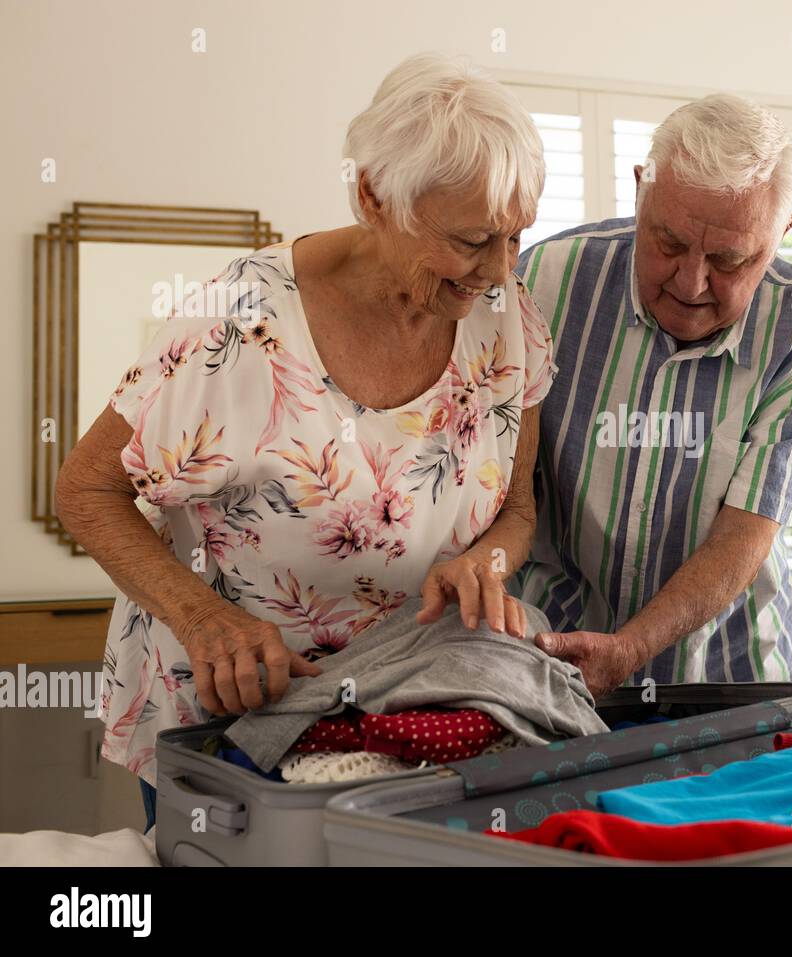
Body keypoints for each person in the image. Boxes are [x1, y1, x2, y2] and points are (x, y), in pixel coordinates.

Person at [54, 53, 555, 828]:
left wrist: (480, 561)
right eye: (472, 240)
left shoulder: (506, 320)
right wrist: (203, 618)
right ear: (372, 196)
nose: (498, 271)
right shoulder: (239, 323)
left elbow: (516, 512)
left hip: (402, 711)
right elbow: (86, 488)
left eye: (517, 237)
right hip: (226, 715)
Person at [514, 93, 792, 696]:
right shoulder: (541, 282)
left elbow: (746, 531)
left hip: (728, 669)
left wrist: (632, 648)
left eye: (728, 259)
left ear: (783, 233)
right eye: (668, 242)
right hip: (549, 656)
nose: (692, 282)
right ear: (640, 189)